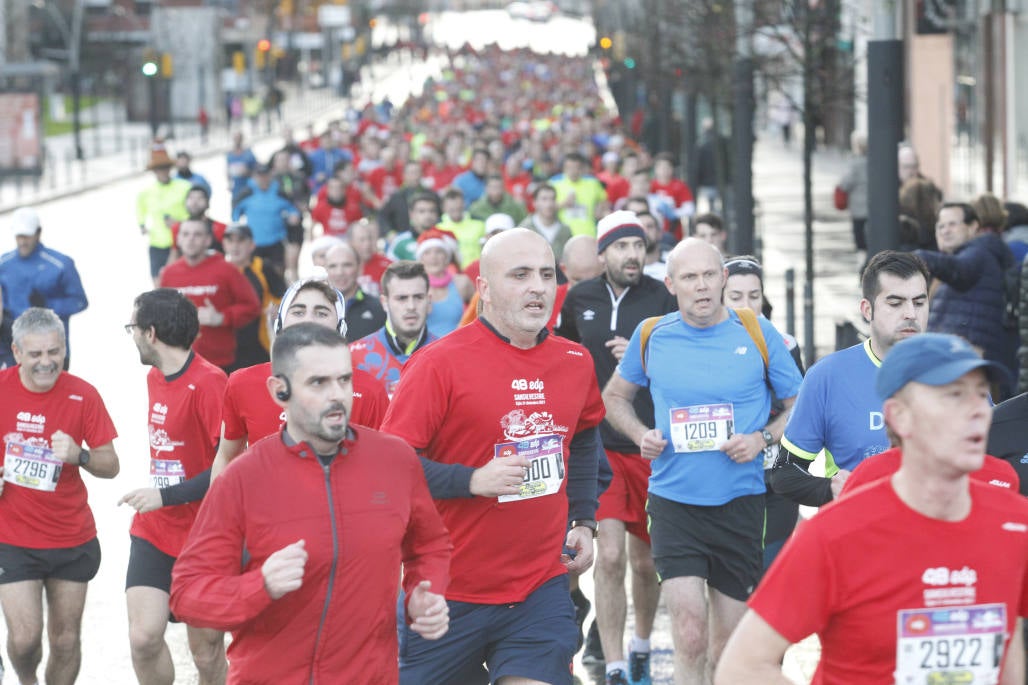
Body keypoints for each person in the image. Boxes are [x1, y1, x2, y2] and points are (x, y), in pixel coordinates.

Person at [716, 333, 1028, 685]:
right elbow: (742, 667)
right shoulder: (836, 535)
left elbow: (1009, 636)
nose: (977, 410)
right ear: (900, 418)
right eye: (953, 395)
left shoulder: (1015, 523)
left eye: (979, 392)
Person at [382, 228, 605, 684]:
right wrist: (471, 481)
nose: (537, 287)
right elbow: (388, 465)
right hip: (447, 593)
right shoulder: (437, 364)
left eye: (546, 274)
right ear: (483, 289)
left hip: (538, 589)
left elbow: (583, 437)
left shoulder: (575, 362)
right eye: (520, 275)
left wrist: (583, 518)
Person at [170, 323, 452, 683]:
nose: (338, 395)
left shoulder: (395, 460)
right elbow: (186, 593)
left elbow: (430, 544)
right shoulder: (245, 478)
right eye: (318, 383)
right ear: (279, 390)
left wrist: (422, 593)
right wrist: (260, 586)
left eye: (345, 380)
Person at [602, 238, 802, 684]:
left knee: (726, 647)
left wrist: (761, 438)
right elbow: (614, 396)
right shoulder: (652, 334)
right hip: (675, 503)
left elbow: (799, 404)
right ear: (671, 284)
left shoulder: (757, 332)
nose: (701, 286)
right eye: (690, 278)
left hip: (741, 504)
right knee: (690, 633)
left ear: (724, 278)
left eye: (710, 275)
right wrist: (640, 434)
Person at [556, 211, 677, 685]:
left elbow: (685, 357)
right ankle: (614, 664)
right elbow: (561, 353)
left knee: (646, 562)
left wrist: (642, 352)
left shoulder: (662, 298)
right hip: (597, 447)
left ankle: (642, 648)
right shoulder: (579, 298)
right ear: (602, 253)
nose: (633, 254)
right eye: (622, 246)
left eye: (639, 246)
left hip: (650, 445)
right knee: (607, 558)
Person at [0, 308, 119, 685]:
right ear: (16, 353)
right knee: (24, 638)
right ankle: (27, 680)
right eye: (35, 354)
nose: (46, 362)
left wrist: (79, 455)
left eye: (54, 352)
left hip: (71, 537)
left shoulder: (83, 395)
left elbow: (111, 464)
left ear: (64, 348)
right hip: (12, 538)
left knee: (65, 640)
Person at [119, 289, 228, 685]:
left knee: (207, 653)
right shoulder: (154, 377)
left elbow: (229, 467)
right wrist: (161, 501)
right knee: (143, 638)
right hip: (156, 528)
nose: (130, 335)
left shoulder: (211, 383)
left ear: (150, 333)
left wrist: (164, 495)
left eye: (132, 327)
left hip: (206, 535)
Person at [772, 251, 930, 506]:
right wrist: (835, 491)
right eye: (895, 303)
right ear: (867, 310)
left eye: (919, 302)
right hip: (862, 534)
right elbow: (785, 474)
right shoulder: (828, 376)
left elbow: (990, 462)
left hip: (936, 536)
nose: (910, 313)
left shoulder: (956, 376)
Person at [210, 276, 391, 480]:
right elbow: (225, 457)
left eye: (321, 313)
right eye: (298, 311)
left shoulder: (368, 391)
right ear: (280, 324)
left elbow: (383, 468)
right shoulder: (241, 383)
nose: (309, 320)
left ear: (341, 329)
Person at [722, 256, 805, 570]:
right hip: (726, 479)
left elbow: (800, 408)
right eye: (736, 296)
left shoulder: (785, 344)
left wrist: (764, 437)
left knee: (768, 574)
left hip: (776, 478)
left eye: (754, 296)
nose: (746, 305)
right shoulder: (699, 346)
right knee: (733, 582)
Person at [916, 202, 1015, 399]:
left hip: (967, 362)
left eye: (952, 224)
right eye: (941, 226)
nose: (945, 231)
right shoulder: (967, 255)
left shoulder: (980, 252)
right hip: (955, 359)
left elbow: (960, 270)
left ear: (973, 227)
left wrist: (916, 257)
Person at [158, 219, 262, 372]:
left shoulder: (227, 270)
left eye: (197, 234)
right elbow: (160, 315)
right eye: (185, 234)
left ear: (208, 240)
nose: (191, 239)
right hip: (180, 362)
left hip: (220, 362)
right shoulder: (169, 273)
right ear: (178, 240)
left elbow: (252, 307)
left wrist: (222, 317)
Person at [0, 208, 88, 369]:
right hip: (13, 349)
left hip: (50, 349)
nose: (22, 241)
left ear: (38, 233)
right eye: (19, 236)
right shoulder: (3, 264)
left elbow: (80, 301)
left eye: (27, 236)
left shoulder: (61, 264)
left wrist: (48, 305)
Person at [350, 260, 436, 398]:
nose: (411, 306)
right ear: (384, 303)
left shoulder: (448, 355)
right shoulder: (353, 356)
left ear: (429, 300)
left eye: (418, 297)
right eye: (402, 298)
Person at [221, 222, 287, 369]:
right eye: (230, 241)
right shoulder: (219, 270)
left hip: (259, 343)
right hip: (227, 346)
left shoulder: (263, 267)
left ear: (251, 245)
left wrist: (275, 310)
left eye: (240, 241)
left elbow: (284, 298)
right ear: (224, 245)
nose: (235, 246)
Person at [231, 163, 302, 277]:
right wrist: (237, 226)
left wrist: (293, 216)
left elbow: (293, 209)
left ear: (270, 176)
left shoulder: (279, 192)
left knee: (277, 273)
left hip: (276, 242)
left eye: (265, 176)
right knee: (256, 275)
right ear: (254, 177)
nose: (263, 179)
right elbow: (235, 212)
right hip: (255, 243)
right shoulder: (247, 193)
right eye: (260, 176)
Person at [137, 143, 192, 285]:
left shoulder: (184, 187)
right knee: (159, 284)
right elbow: (140, 209)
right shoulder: (146, 192)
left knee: (180, 283)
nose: (162, 171)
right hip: (157, 243)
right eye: (158, 169)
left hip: (181, 243)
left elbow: (194, 213)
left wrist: (179, 224)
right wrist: (142, 225)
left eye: (165, 167)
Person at [324, 241, 387, 342]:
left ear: (360, 268)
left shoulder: (380, 309)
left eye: (347, 265)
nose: (340, 272)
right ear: (325, 270)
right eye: (333, 266)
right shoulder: (315, 309)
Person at [417, 229, 473, 338]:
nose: (433, 257)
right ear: (420, 259)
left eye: (439, 251)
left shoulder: (461, 282)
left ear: (447, 257)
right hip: (425, 351)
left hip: (457, 348)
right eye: (427, 252)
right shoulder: (414, 287)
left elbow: (481, 312)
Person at [551, 152, 609, 237]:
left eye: (576, 167)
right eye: (569, 168)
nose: (573, 171)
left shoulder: (593, 183)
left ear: (582, 169)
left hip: (589, 233)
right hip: (563, 236)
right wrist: (564, 204)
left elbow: (604, 201)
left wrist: (600, 208)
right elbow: (546, 208)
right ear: (564, 168)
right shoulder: (554, 184)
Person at [520, 183, 573, 262]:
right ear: (534, 203)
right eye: (544, 199)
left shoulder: (565, 230)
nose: (549, 204)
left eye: (552, 199)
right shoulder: (524, 229)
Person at [836, 131, 869, 252]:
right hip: (872, 208)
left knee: (860, 241)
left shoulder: (855, 164)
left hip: (858, 208)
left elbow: (844, 184)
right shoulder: (875, 161)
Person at [438, 187, 486, 268]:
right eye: (452, 209)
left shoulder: (479, 223)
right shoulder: (438, 227)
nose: (456, 212)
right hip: (453, 274)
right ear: (443, 208)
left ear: (464, 204)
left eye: (458, 208)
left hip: (477, 269)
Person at [388, 191, 441, 262]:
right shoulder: (400, 242)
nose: (428, 215)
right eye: (422, 211)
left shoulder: (445, 239)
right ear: (411, 214)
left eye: (432, 211)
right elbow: (390, 270)